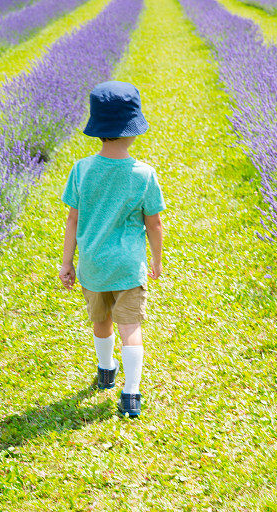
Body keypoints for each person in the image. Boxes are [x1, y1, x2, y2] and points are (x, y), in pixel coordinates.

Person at [59, 80, 166, 418]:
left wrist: (67, 262)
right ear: (133, 130)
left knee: (101, 321)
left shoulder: (82, 169)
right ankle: (131, 394)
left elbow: (72, 221)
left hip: (93, 264)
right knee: (130, 328)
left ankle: (106, 371)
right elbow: (155, 225)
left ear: (98, 129)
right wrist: (157, 260)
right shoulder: (144, 174)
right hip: (127, 266)